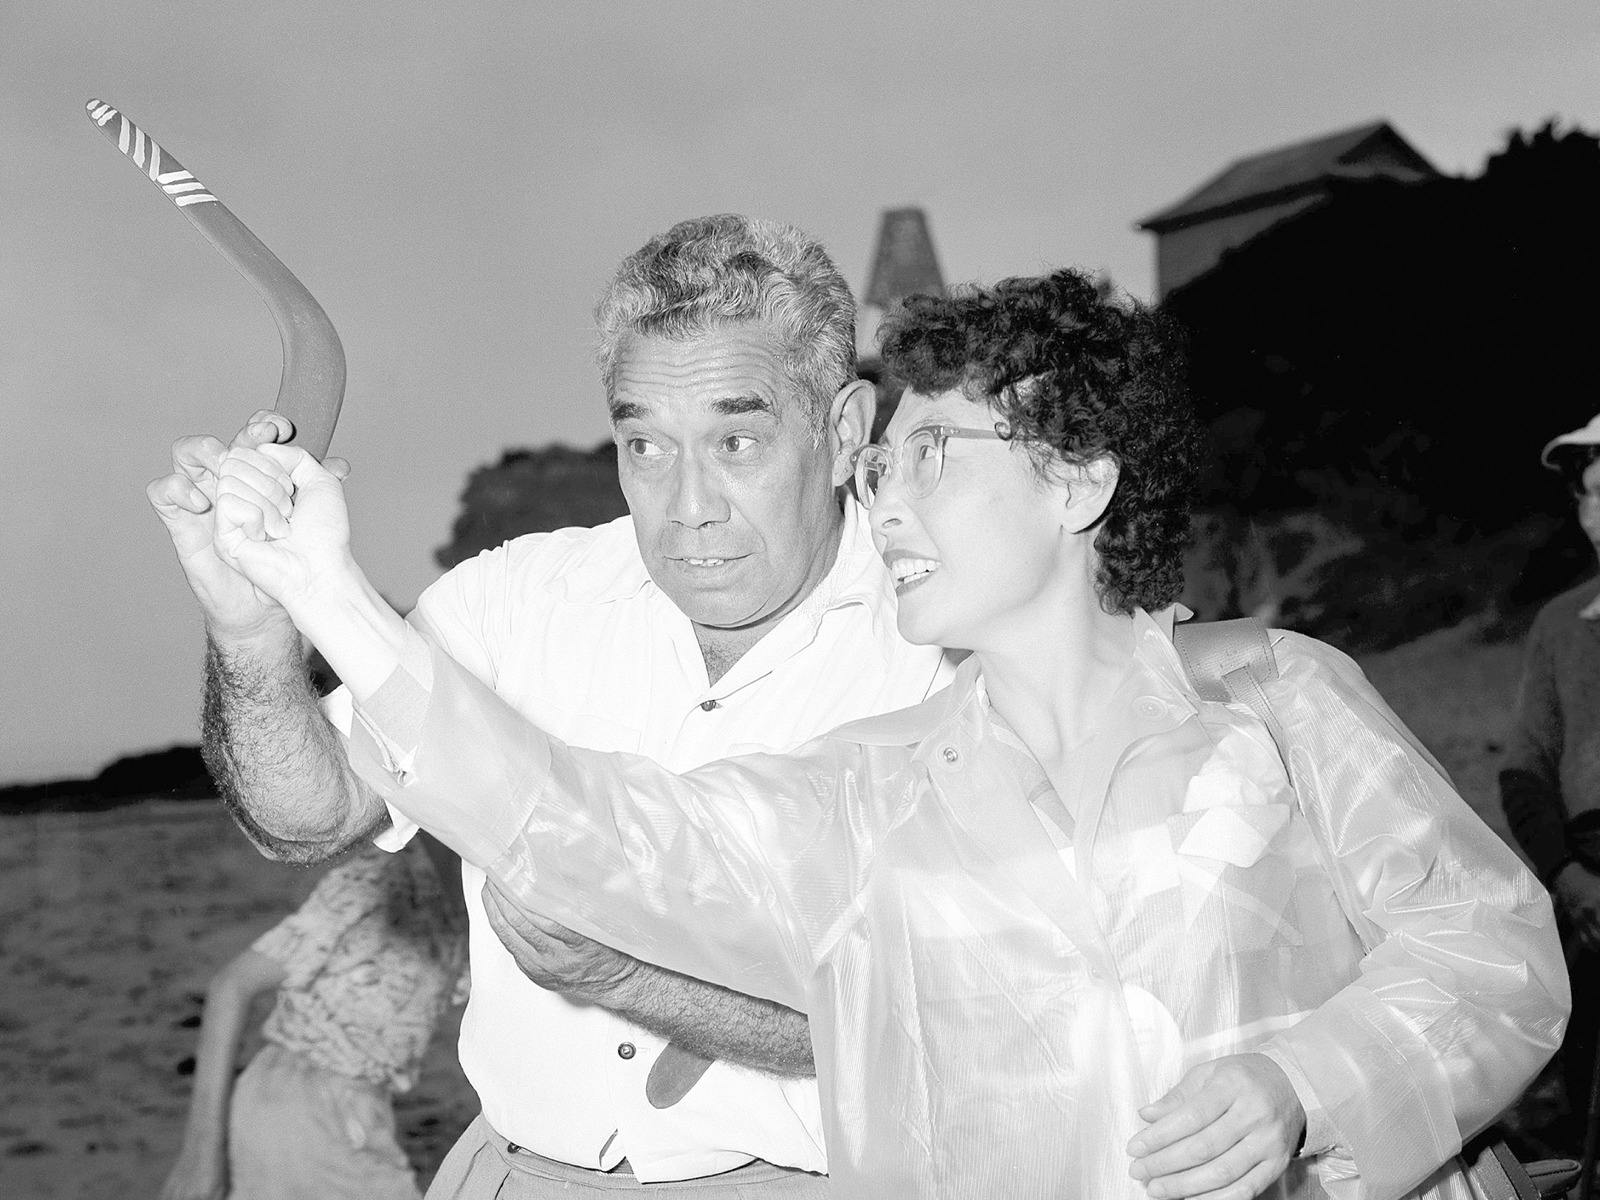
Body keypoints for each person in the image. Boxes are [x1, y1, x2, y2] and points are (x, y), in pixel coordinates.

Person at [206, 266, 1569, 1200]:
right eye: (882, 464)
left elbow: (1491, 949)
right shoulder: (872, 791)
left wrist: (1303, 1081)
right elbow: (581, 825)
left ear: (1080, 480)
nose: (888, 502)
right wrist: (321, 589)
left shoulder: (1275, 693)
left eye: (932, 457)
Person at [146, 214, 953, 1197]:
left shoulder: (940, 643)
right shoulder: (516, 598)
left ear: (841, 432)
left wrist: (632, 982)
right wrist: (252, 629)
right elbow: (306, 823)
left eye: (736, 440)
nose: (689, 505)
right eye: (646, 447)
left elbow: (932, 1017)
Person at [159, 835, 467, 1200]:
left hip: (348, 1106)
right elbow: (232, 986)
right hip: (306, 1106)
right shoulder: (380, 875)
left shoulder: (473, 885)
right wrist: (200, 1156)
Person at [1501, 413, 1600, 1153]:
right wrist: (1568, 875)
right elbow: (1525, 763)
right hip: (1590, 882)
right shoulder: (1563, 621)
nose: (1597, 513)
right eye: (1591, 494)